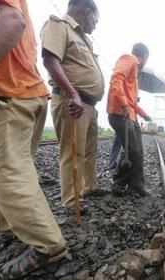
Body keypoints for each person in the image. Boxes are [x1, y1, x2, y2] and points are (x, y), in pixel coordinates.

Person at [0, 0, 67, 279]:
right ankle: (6, 228)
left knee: (5, 172)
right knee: (1, 169)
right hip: (24, 90)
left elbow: (13, 21)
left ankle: (48, 246)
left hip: (5, 91)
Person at [41, 0, 104, 211]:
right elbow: (50, 60)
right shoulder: (59, 25)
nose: (95, 25)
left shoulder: (84, 39)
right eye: (95, 19)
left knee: (88, 151)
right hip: (72, 100)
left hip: (88, 104)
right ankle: (72, 200)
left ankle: (89, 187)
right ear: (86, 11)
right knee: (72, 152)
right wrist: (73, 93)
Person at [107, 43, 152, 197]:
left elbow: (132, 103)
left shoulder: (134, 71)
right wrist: (125, 105)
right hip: (120, 113)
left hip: (128, 114)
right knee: (134, 150)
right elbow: (116, 80)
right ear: (145, 56)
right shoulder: (130, 59)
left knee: (134, 150)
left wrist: (143, 113)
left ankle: (126, 184)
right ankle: (129, 185)